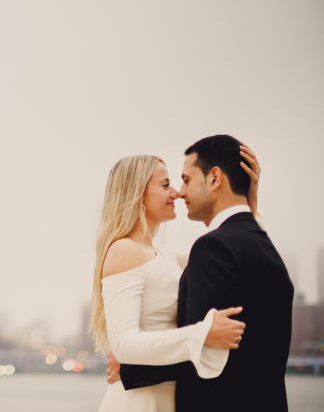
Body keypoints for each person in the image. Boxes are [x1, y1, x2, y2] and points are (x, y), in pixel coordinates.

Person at [104, 135, 294, 412]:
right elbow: (122, 343)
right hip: (143, 400)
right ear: (136, 192)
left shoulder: (172, 254)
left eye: (182, 181)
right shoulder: (124, 250)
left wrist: (248, 203)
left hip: (168, 394)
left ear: (214, 178)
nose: (177, 193)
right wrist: (201, 334)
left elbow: (240, 254)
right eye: (166, 184)